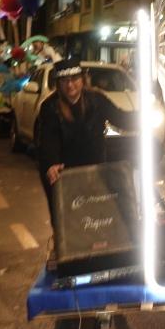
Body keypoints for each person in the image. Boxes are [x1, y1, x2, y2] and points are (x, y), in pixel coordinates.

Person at [35, 58, 136, 217]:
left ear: (82, 79)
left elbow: (120, 118)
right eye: (65, 81)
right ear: (59, 83)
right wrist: (51, 163)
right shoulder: (50, 107)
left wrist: (142, 119)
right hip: (65, 173)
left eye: (74, 79)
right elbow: (48, 139)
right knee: (69, 222)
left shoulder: (97, 99)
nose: (70, 85)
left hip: (93, 169)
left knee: (95, 218)